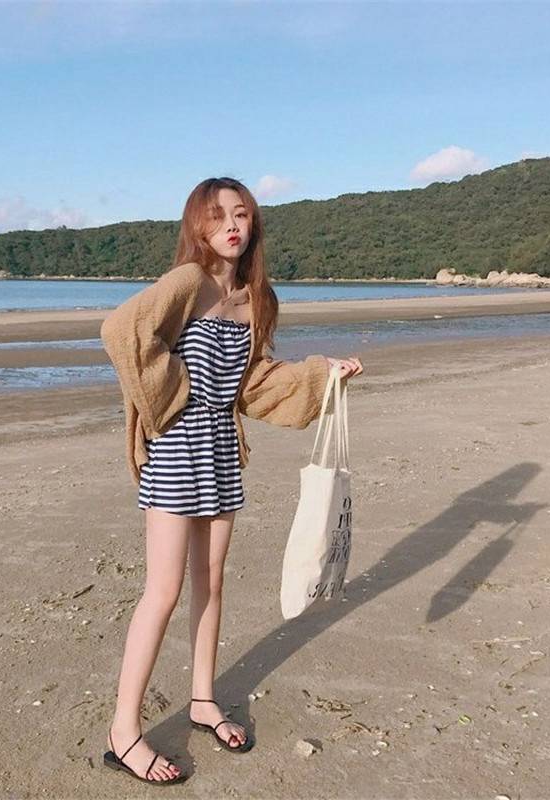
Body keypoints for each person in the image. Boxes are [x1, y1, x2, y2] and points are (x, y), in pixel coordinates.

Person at [100, 177, 363, 785]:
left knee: (212, 582)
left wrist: (324, 373)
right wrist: (173, 391)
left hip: (221, 449)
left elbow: (257, 381)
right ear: (198, 225)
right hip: (176, 449)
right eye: (218, 216)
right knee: (163, 590)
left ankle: (202, 700)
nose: (231, 225)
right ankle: (123, 730)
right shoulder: (187, 282)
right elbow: (122, 332)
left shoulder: (255, 297)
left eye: (240, 214)